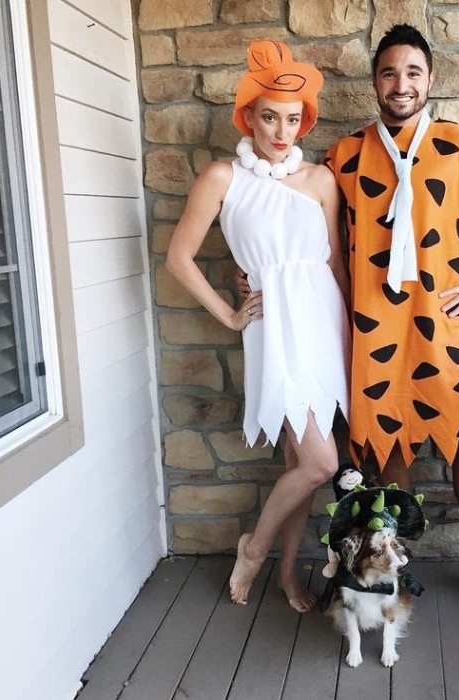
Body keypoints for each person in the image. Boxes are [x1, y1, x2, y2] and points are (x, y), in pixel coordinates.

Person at [322, 24, 459, 621]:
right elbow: (294, 222)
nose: (401, 83)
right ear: (374, 81)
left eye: (413, 72)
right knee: (387, 456)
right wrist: (256, 277)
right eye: (389, 72)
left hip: (444, 325)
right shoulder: (344, 156)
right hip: (376, 329)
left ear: (430, 81)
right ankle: (390, 571)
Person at [166, 39, 351, 613]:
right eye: (269, 116)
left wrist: (353, 339)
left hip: (323, 326)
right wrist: (228, 313)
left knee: (304, 465)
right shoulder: (224, 177)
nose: (281, 130)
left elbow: (335, 266)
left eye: (293, 119)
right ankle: (254, 549)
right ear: (247, 117)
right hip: (273, 330)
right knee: (323, 464)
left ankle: (288, 576)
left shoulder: (321, 180)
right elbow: (178, 257)